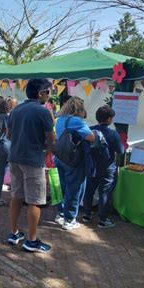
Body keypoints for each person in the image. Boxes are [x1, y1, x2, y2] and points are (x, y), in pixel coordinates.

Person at [7, 79, 55, 253]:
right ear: (40, 93)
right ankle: (32, 240)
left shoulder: (16, 109)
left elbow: (9, 134)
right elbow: (51, 140)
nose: (49, 96)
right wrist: (46, 153)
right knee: (35, 200)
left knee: (17, 195)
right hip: (33, 160)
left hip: (15, 158)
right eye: (48, 92)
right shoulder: (43, 112)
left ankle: (14, 233)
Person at [54, 96, 95, 230]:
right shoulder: (76, 120)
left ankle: (60, 213)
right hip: (73, 159)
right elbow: (90, 137)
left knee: (64, 186)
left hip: (60, 157)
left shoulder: (60, 119)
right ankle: (69, 219)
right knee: (75, 188)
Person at [82, 106, 124, 228]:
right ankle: (103, 219)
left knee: (89, 190)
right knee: (105, 193)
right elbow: (120, 150)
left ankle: (86, 214)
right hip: (107, 167)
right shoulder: (113, 134)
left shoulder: (89, 130)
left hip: (91, 165)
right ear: (109, 119)